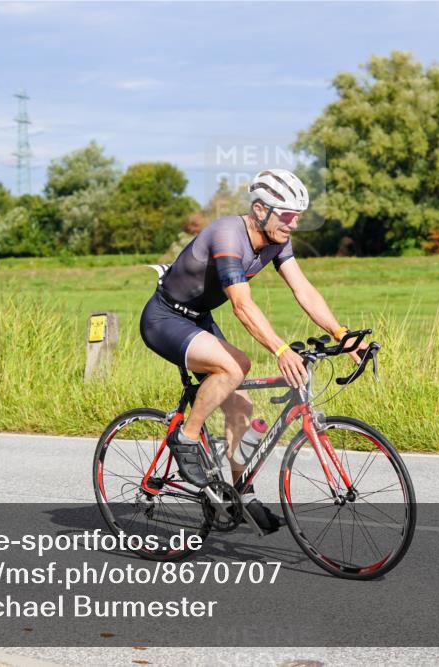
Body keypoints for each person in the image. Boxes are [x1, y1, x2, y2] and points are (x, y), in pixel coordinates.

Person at [139, 169, 366, 532]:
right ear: (260, 209)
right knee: (235, 367)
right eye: (288, 215)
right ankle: (187, 436)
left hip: (197, 318)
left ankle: (240, 494)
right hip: (164, 319)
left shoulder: (277, 239)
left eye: (298, 217)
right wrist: (279, 348)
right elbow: (242, 306)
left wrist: (341, 333)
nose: (293, 224)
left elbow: (302, 289)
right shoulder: (228, 235)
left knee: (242, 407)